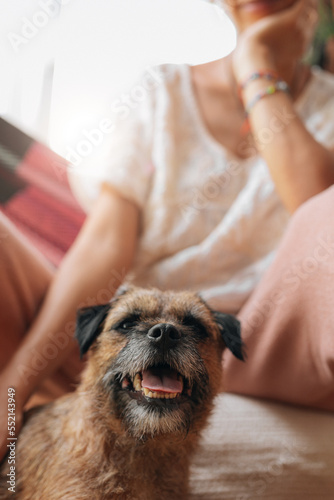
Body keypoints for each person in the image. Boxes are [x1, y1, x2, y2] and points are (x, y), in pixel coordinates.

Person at [1, 0, 334, 463]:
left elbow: (318, 206)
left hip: (259, 349)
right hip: (117, 338)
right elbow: (105, 244)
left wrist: (255, 65)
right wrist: (12, 395)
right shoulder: (162, 91)